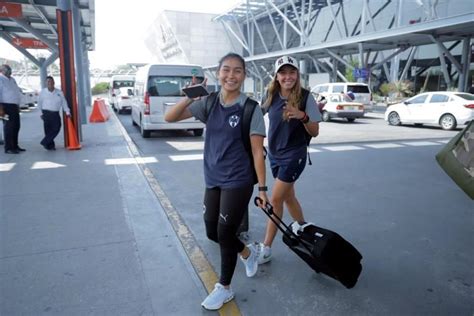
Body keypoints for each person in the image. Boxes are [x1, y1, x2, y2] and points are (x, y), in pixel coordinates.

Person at [164, 52, 268, 311]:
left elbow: (257, 152)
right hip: (213, 177)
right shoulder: (209, 103)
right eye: (226, 70)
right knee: (212, 232)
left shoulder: (250, 108)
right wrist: (189, 95)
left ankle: (225, 287)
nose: (231, 75)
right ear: (218, 74)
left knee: (224, 232)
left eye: (237, 71)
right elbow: (170, 118)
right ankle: (247, 253)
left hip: (239, 179)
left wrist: (263, 188)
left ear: (244, 76)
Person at [257, 55, 321, 264]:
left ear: (297, 74)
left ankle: (266, 248)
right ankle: (303, 226)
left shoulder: (305, 97)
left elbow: (315, 131)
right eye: (283, 73)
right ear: (276, 76)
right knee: (288, 197)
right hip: (275, 154)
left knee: (275, 200)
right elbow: (257, 116)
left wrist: (302, 116)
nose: (287, 77)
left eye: (291, 72)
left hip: (294, 156)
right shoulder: (271, 94)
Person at [38, 76, 70, 150]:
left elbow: (64, 103)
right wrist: (40, 113)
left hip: (55, 113)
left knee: (57, 128)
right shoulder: (43, 92)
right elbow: (39, 103)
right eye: (48, 81)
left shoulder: (59, 92)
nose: (50, 83)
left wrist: (67, 112)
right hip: (46, 113)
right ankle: (50, 146)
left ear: (54, 82)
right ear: (46, 83)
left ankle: (44, 141)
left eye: (51, 81)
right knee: (48, 130)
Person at [0, 64, 25, 154]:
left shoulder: (12, 79)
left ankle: (15, 146)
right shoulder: (0, 79)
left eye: (10, 69)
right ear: (2, 70)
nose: (10, 71)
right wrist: (1, 109)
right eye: (8, 69)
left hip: (14, 107)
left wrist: (18, 105)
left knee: (16, 126)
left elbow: (16, 92)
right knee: (8, 127)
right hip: (5, 107)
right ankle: (8, 148)